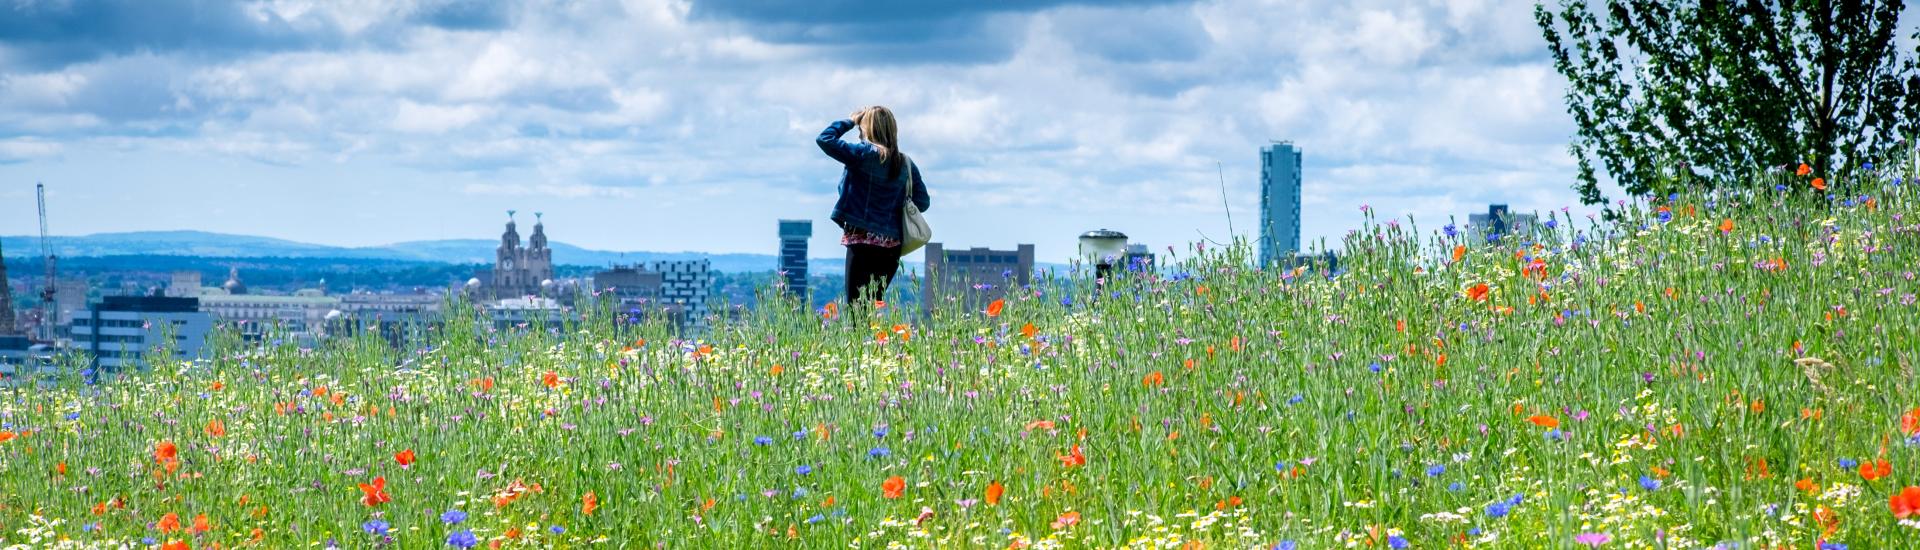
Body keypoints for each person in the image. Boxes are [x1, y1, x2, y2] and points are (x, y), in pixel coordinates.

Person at [816, 106, 931, 308]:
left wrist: (850, 121)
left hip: (861, 241)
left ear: (867, 128)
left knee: (856, 309)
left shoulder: (863, 154)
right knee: (870, 308)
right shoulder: (905, 163)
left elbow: (825, 139)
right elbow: (922, 202)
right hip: (891, 248)